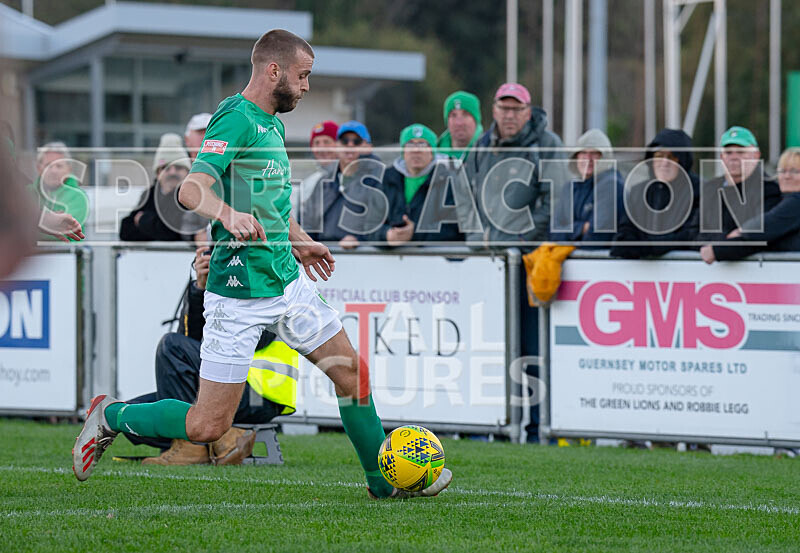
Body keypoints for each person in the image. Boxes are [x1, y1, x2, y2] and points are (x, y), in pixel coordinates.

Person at [73, 29, 451, 500]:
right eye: (303, 75)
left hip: (287, 284)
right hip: (238, 294)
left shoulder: (272, 124)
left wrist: (301, 241)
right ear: (274, 71)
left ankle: (384, 484)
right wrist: (227, 215)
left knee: (352, 374)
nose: (307, 86)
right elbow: (191, 191)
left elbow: (270, 205)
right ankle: (110, 415)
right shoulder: (235, 118)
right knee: (208, 425)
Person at [125, 246, 298, 466]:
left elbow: (253, 340)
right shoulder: (219, 288)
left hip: (259, 394)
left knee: (170, 346)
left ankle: (192, 446)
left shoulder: (264, 275)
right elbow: (189, 341)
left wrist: (226, 289)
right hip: (221, 382)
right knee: (133, 415)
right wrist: (200, 288)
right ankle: (223, 439)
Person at [464, 82, 565, 247]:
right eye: (504, 108)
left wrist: (523, 238)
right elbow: (466, 196)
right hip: (484, 251)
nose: (510, 115)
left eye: (517, 109)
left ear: (528, 113)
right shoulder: (481, 146)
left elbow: (557, 200)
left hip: (528, 255)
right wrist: (476, 235)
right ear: (494, 111)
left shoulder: (546, 144)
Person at [610, 128, 699, 258]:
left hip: (687, 273)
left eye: (672, 157)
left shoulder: (700, 191)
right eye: (659, 156)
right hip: (641, 275)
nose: (664, 163)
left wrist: (648, 246)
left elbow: (691, 236)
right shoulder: (638, 192)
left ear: (683, 161)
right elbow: (623, 237)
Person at [700, 147, 800, 262]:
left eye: (795, 171)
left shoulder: (796, 201)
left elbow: (766, 229)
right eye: (782, 171)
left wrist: (740, 232)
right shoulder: (782, 201)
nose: (787, 176)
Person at [373, 123, 461, 245]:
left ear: (432, 152)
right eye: (410, 144)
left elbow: (454, 229)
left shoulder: (449, 181)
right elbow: (369, 224)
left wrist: (414, 234)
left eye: (422, 144)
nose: (416, 150)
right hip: (391, 261)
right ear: (403, 151)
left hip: (435, 261)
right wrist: (387, 235)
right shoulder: (387, 179)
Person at [301, 120, 383, 249]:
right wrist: (305, 244)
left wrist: (358, 239)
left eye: (357, 141)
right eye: (344, 141)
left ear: (368, 147)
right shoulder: (323, 182)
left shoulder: (380, 180)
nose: (350, 145)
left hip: (363, 257)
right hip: (324, 255)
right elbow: (308, 222)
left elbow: (382, 223)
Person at [695, 126, 781, 243]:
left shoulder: (770, 189)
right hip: (711, 258)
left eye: (741, 152)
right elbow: (694, 232)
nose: (734, 157)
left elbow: (759, 235)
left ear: (756, 155)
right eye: (728, 152)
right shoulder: (710, 188)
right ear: (721, 157)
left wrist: (716, 244)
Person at [549, 129, 624, 247]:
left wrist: (569, 233)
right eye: (583, 152)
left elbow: (596, 239)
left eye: (594, 153)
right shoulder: (570, 188)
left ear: (605, 157)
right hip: (570, 263)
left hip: (601, 263)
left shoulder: (612, 186)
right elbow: (553, 233)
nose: (588, 158)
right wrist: (582, 228)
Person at [119, 133, 193, 241]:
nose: (172, 172)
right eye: (165, 168)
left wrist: (142, 220)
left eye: (178, 167)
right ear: (158, 173)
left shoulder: (192, 195)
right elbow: (125, 230)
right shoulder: (149, 194)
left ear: (187, 172)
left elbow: (173, 231)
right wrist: (156, 226)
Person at [29, 142, 89, 239]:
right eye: (48, 165)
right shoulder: (26, 193)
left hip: (66, 252)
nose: (54, 171)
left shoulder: (78, 197)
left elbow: (61, 232)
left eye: (59, 166)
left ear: (69, 169)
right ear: (39, 168)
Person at [292, 120, 339, 218]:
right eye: (317, 143)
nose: (321, 148)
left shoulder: (348, 176)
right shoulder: (309, 182)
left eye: (326, 142)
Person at [437, 91, 483, 162]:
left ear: (476, 120)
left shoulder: (489, 150)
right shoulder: (434, 154)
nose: (459, 123)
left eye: (465, 115)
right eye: (453, 115)